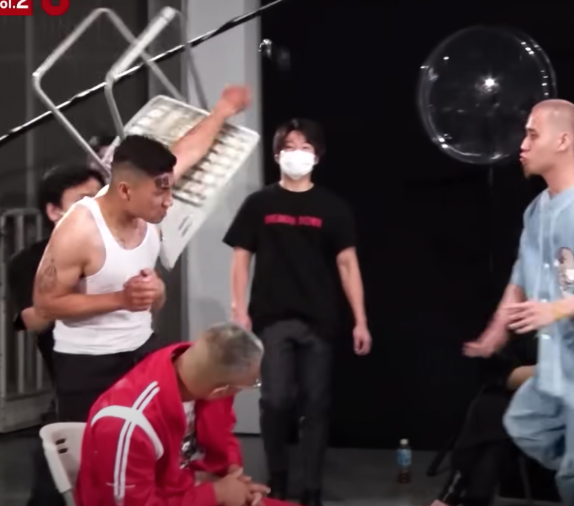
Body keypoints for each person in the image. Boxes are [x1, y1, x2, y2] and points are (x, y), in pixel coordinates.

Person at [32, 84, 251, 423]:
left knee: (150, 444)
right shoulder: (79, 230)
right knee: (94, 451)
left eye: (169, 189)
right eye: (160, 194)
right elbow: (45, 304)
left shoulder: (149, 194)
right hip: (88, 363)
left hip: (143, 351)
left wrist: (223, 109)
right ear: (125, 190)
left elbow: (189, 150)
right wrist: (121, 299)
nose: (169, 201)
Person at [464, 99, 574, 506]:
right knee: (526, 424)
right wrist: (496, 329)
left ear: (562, 141)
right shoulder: (538, 210)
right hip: (562, 366)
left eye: (532, 134)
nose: (523, 145)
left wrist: (553, 310)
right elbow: (521, 275)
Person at [224, 118, 372, 506]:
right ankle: (278, 478)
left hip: (319, 320)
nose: (297, 154)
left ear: (317, 156)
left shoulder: (333, 207)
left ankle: (311, 489)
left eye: (305, 148)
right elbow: (241, 257)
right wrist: (239, 308)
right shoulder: (259, 204)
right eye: (290, 147)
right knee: (275, 401)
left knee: (316, 406)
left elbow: (348, 264)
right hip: (272, 318)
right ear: (277, 155)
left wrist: (361, 320)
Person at [76, 322, 289, 506]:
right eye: (252, 384)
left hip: (188, 488)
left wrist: (232, 474)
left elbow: (222, 435)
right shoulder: (127, 425)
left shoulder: (198, 368)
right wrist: (217, 494)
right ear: (220, 391)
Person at [8, 164, 105, 384]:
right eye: (84, 201)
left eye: (101, 200)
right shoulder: (28, 261)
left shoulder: (122, 246)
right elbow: (30, 321)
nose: (97, 209)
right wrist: (70, 292)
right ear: (54, 211)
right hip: (74, 373)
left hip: (132, 363)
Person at [431, 333, 537, 506]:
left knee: (495, 413)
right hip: (524, 398)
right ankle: (470, 499)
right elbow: (504, 377)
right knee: (492, 408)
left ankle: (451, 494)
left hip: (571, 403)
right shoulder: (528, 329)